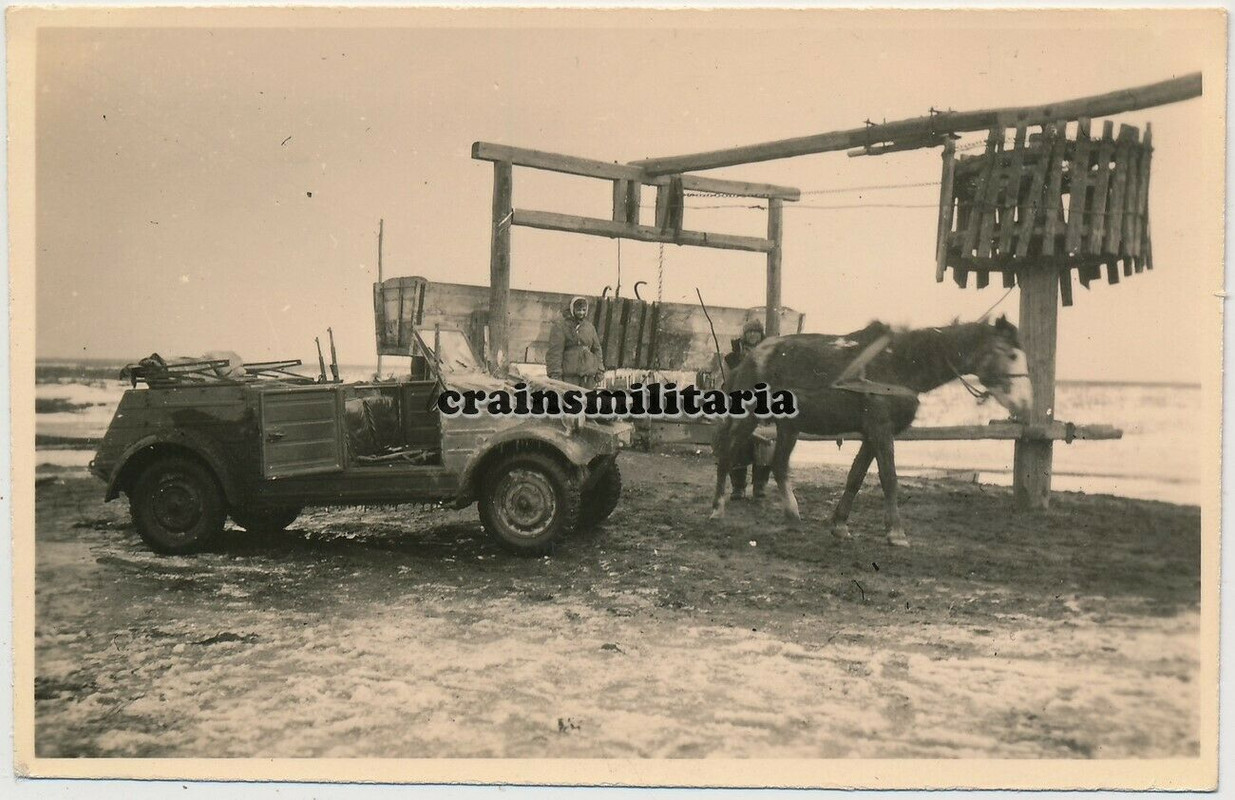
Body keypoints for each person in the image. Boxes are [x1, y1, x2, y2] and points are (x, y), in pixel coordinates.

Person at [723, 318, 772, 500]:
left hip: (761, 405)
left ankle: (759, 486)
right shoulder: (732, 358)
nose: (753, 335)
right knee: (738, 443)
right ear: (744, 335)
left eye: (756, 332)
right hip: (740, 404)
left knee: (763, 445)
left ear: (761, 335)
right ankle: (738, 487)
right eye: (749, 332)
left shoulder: (769, 355)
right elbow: (727, 382)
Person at [546, 296, 605, 389]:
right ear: (572, 309)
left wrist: (600, 370)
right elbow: (555, 353)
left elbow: (597, 350)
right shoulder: (561, 327)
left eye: (583, 310)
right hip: (569, 378)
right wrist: (555, 375)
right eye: (578, 310)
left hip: (588, 378)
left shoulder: (589, 327)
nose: (581, 313)